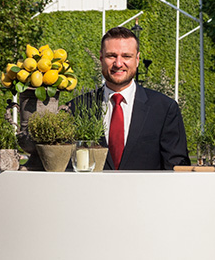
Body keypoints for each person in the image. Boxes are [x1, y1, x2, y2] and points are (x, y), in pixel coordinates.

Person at [71, 26, 190, 170]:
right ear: (101, 58)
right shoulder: (76, 109)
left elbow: (177, 167)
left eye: (126, 56)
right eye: (111, 56)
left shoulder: (164, 109)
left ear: (137, 59)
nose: (118, 63)